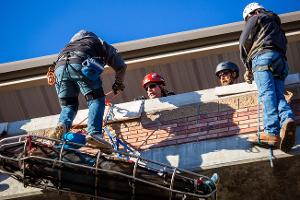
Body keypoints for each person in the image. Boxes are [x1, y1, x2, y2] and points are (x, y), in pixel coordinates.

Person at [50, 30, 127, 148]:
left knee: (68, 106)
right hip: (80, 63)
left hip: (59, 69)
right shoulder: (99, 43)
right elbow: (121, 66)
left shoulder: (68, 46)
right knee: (96, 99)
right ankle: (95, 134)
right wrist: (118, 84)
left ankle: (62, 126)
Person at [239, 3, 296, 152]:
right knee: (278, 95)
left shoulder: (256, 17)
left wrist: (247, 67)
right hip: (281, 62)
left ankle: (271, 132)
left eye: (247, 18)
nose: (247, 21)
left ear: (254, 11)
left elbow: (244, 42)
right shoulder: (277, 26)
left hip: (262, 57)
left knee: (267, 94)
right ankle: (287, 119)